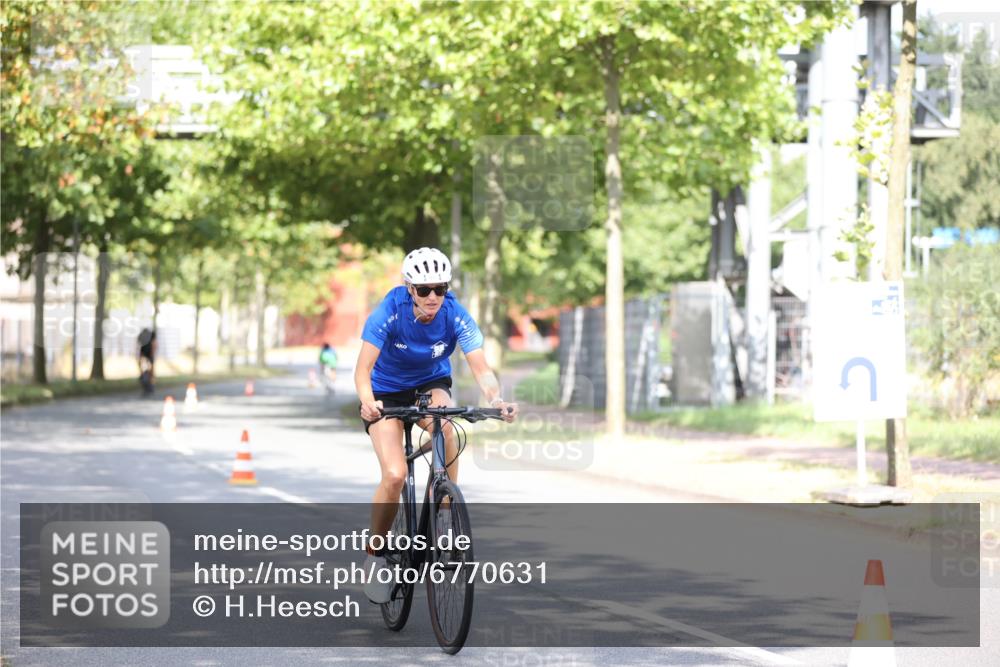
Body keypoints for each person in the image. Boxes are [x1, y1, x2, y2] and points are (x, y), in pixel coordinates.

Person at [355, 247, 518, 603]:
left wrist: (495, 399)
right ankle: (375, 555)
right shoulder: (388, 312)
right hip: (386, 391)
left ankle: (443, 510)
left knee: (447, 426)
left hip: (430, 385)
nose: (433, 297)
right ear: (410, 288)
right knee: (395, 474)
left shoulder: (454, 314)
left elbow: (479, 365)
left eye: (440, 289)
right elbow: (362, 370)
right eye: (425, 289)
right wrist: (369, 403)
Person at [137, 328, 157, 396]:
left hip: (149, 354)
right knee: (143, 370)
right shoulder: (141, 337)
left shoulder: (151, 336)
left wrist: (151, 357)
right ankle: (145, 385)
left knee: (151, 371)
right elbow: (140, 347)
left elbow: (154, 345)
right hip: (144, 355)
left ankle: (151, 385)